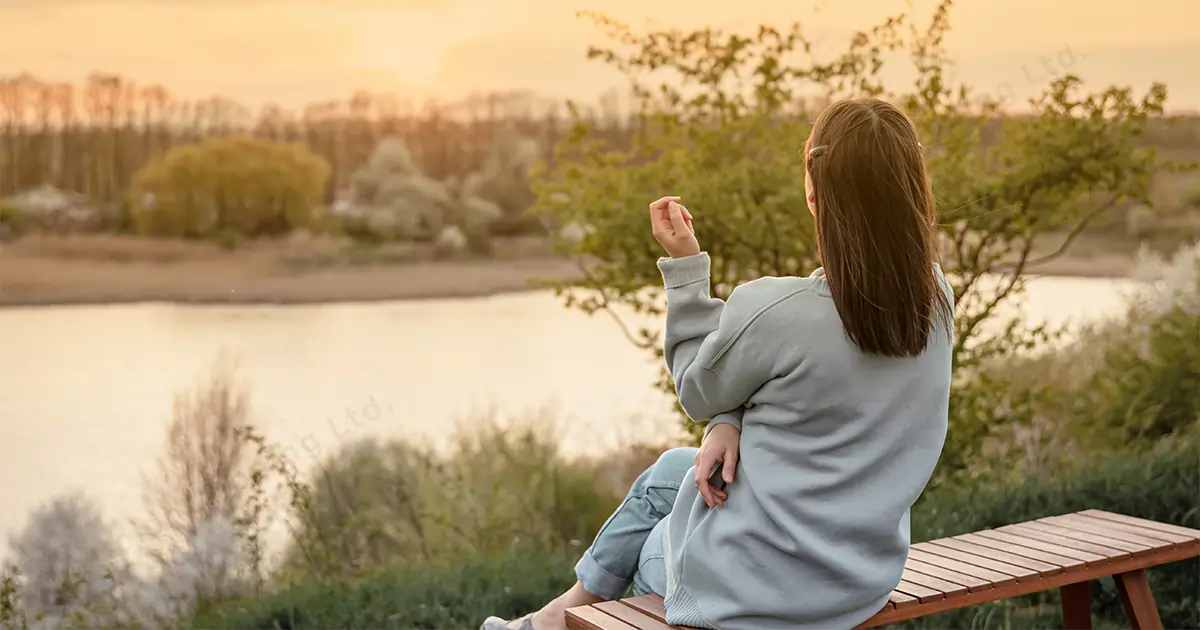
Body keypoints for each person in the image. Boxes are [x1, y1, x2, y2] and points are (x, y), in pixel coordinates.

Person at [481, 97, 955, 630]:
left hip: (751, 589)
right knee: (667, 474)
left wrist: (686, 271)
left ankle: (555, 622)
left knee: (650, 551)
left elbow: (697, 387)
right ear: (913, 187)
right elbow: (814, 388)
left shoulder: (776, 310)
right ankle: (545, 622)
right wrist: (729, 423)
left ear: (813, 194)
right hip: (858, 578)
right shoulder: (934, 300)